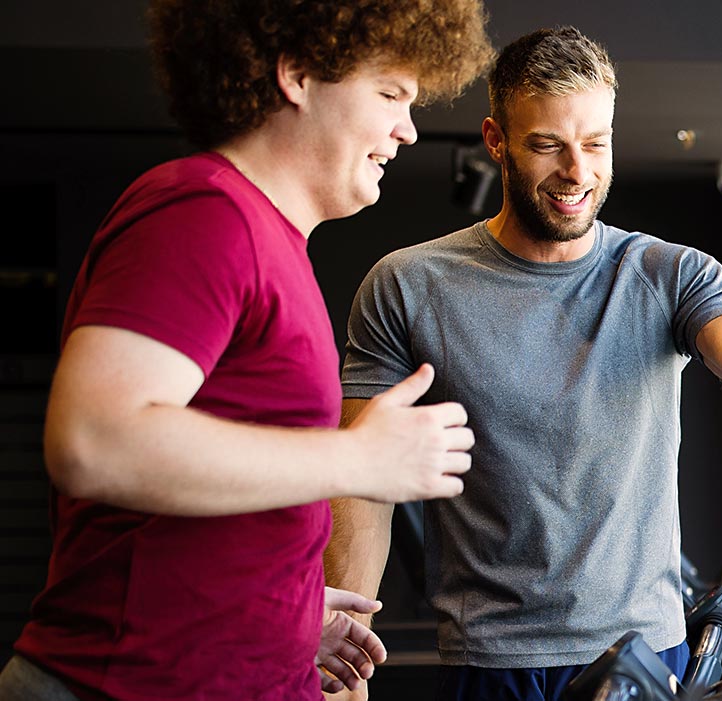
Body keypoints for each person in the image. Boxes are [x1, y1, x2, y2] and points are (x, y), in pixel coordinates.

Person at [326, 25, 722, 701]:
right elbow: (359, 478)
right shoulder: (410, 285)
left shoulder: (665, 273)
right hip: (488, 661)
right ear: (496, 140)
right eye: (548, 145)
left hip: (641, 653)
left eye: (597, 144)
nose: (578, 172)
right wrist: (345, 663)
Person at [0, 2, 492, 700]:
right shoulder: (203, 212)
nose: (407, 129)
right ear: (297, 75)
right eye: (390, 94)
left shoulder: (270, 240)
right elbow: (93, 440)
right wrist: (361, 458)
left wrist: (286, 613)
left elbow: (212, 500)